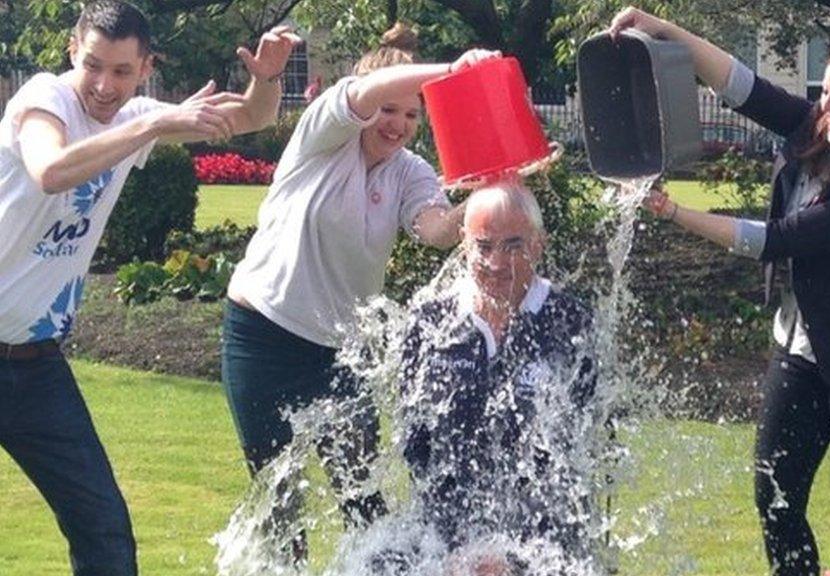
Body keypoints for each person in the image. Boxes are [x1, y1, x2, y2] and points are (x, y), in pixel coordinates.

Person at [609, 7, 830, 576]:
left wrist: (677, 212)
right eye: (826, 91)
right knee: (774, 498)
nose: (828, 106)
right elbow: (738, 84)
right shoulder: (811, 128)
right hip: (797, 352)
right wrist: (660, 27)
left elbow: (775, 240)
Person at [0, 2, 300, 574]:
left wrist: (266, 80)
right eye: (93, 66)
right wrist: (156, 123)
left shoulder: (134, 115)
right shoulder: (44, 97)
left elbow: (251, 119)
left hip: (35, 368)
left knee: (105, 531)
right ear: (72, 52)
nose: (104, 85)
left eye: (121, 71)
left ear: (145, 68)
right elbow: (51, 170)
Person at [219, 21, 501, 557]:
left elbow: (437, 231)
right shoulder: (323, 136)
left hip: (341, 357)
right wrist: (453, 71)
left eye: (412, 114)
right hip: (261, 339)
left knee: (366, 506)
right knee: (280, 511)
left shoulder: (409, 171)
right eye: (387, 109)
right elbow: (358, 94)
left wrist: (488, 192)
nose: (397, 124)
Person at [377, 181, 598, 574]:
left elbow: (578, 452)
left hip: (541, 541)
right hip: (446, 538)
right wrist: (452, 549)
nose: (497, 263)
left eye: (513, 245)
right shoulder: (431, 323)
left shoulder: (571, 323)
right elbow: (417, 447)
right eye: (483, 246)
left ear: (538, 244)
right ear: (463, 244)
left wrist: (510, 558)